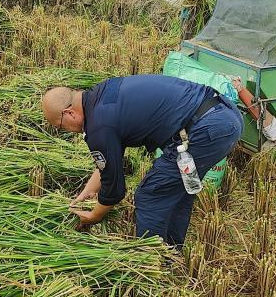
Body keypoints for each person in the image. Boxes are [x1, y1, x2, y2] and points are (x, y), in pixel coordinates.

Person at [41, 75, 244, 249]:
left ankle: (152, 259)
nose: (64, 131)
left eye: (60, 127)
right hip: (222, 114)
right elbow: (109, 163)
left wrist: (95, 215)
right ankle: (171, 251)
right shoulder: (101, 95)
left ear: (69, 113)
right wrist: (87, 192)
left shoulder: (99, 126)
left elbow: (114, 189)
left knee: (151, 195)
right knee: (177, 187)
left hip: (207, 129)